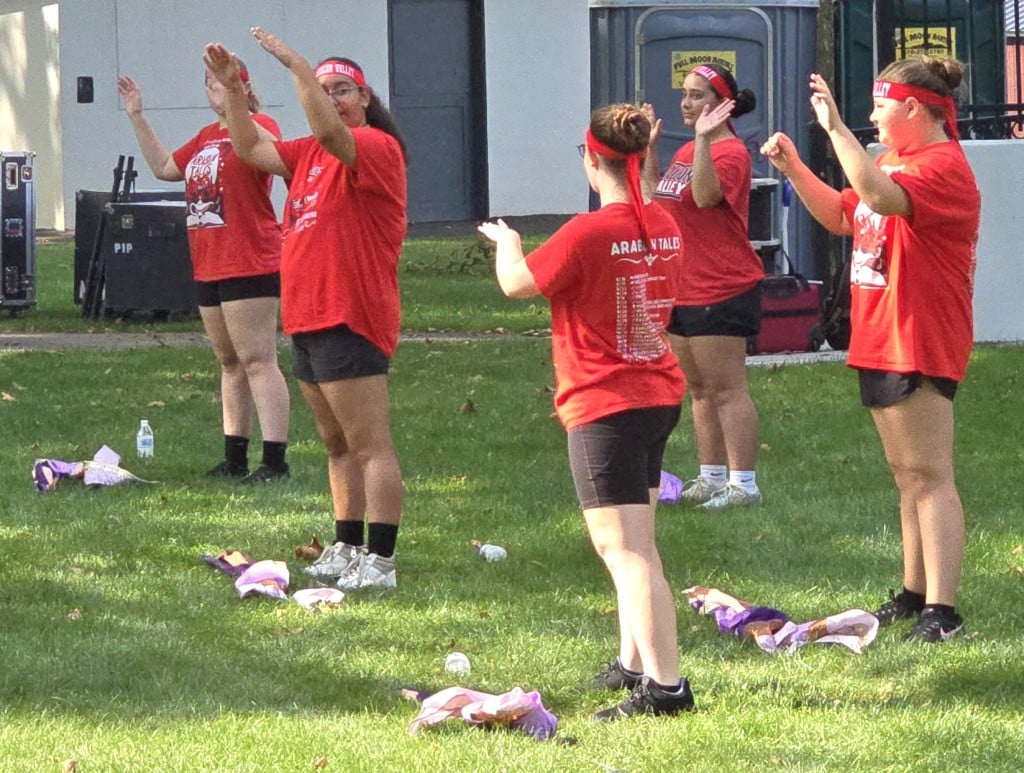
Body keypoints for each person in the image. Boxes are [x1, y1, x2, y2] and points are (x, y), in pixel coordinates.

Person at [478, 103, 694, 721]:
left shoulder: (587, 232)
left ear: (592, 162)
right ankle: (634, 664)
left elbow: (516, 284)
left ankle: (667, 689)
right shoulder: (665, 223)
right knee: (640, 543)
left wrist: (508, 242)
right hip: (656, 394)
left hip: (605, 405)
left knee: (624, 552)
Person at [761, 56, 979, 642]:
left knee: (931, 475)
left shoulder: (942, 166)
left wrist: (835, 129)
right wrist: (793, 168)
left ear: (913, 109)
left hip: (920, 334)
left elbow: (879, 199)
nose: (872, 117)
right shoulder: (890, 161)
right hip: (880, 335)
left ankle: (943, 611)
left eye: (881, 107)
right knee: (907, 475)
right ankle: (914, 593)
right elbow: (844, 214)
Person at [204, 28, 408, 590]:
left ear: (364, 98)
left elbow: (329, 130)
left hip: (351, 313)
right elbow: (250, 149)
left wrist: (296, 65)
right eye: (326, 89)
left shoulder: (374, 146)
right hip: (308, 315)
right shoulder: (308, 154)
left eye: (342, 89)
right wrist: (235, 91)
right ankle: (347, 544)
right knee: (336, 445)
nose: (333, 97)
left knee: (369, 445)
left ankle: (381, 561)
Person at [117, 63, 291, 484]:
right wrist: (137, 116)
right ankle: (234, 457)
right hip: (209, 261)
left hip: (249, 258)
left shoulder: (258, 127)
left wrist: (236, 107)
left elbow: (283, 157)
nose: (213, 89)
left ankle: (274, 462)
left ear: (242, 87)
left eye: (222, 82)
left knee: (257, 359)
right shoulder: (205, 136)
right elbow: (164, 166)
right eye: (208, 83)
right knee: (229, 362)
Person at [642, 64, 765, 510]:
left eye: (697, 95)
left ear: (721, 105)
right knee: (698, 390)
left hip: (722, 286)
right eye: (685, 94)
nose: (686, 103)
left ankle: (743, 484)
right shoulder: (686, 151)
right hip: (683, 286)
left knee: (727, 389)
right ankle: (711, 477)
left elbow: (706, 196)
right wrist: (649, 151)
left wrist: (702, 141)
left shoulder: (731, 153)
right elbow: (656, 203)